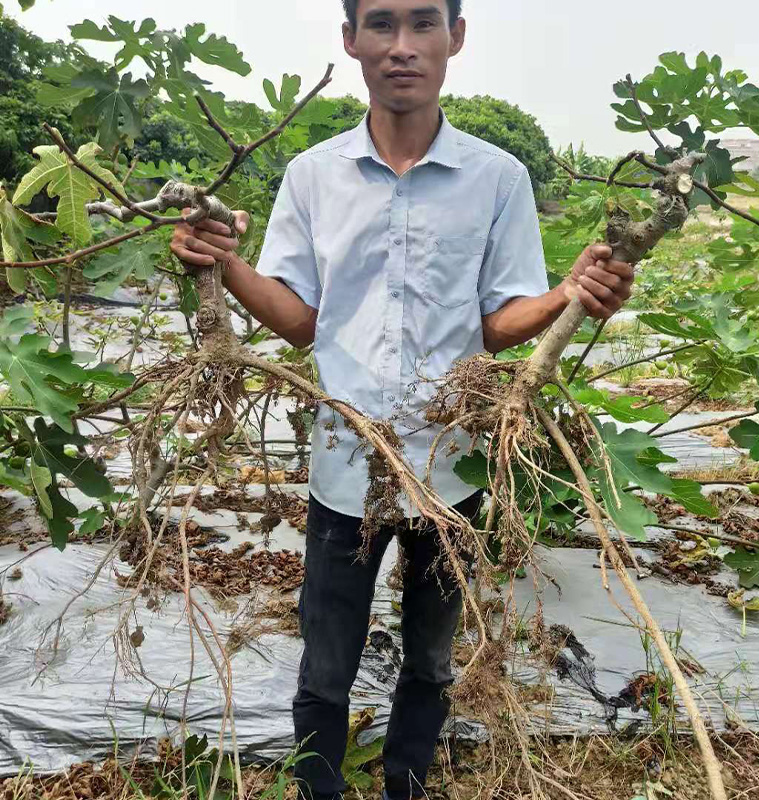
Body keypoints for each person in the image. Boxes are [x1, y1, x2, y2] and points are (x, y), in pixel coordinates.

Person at [171, 1, 634, 797]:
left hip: (451, 469)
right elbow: (299, 322)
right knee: (325, 663)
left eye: (424, 24)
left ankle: (406, 787)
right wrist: (224, 263)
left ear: (456, 37)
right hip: (345, 463)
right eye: (380, 25)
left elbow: (496, 324)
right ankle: (318, 789)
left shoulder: (498, 177)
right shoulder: (313, 175)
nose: (402, 48)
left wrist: (568, 294)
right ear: (349, 40)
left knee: (429, 657)